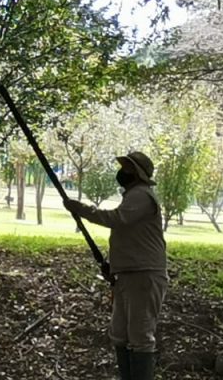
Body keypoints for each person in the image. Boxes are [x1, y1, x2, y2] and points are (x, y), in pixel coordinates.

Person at [63, 151, 167, 380]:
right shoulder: (134, 195)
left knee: (140, 337)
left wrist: (82, 209)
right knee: (120, 333)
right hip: (129, 274)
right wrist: (113, 265)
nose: (122, 172)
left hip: (144, 275)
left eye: (127, 168)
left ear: (137, 174)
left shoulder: (142, 195)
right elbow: (129, 237)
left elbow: (116, 219)